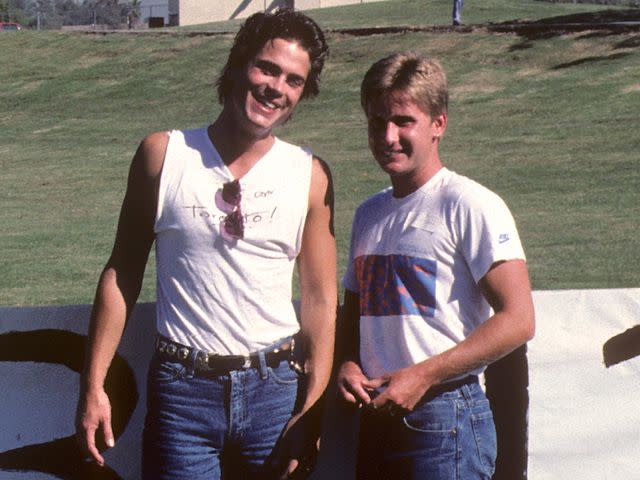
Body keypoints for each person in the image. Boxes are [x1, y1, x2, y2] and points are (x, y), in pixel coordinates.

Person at [75, 8, 337, 480]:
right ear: (239, 64)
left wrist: (313, 409)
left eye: (294, 81)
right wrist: (93, 384)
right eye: (267, 68)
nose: (276, 88)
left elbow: (320, 298)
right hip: (183, 395)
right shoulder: (163, 155)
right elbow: (122, 272)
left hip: (275, 395)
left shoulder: (310, 176)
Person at [336, 52, 535, 479]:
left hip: (445, 418)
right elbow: (353, 316)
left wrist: (423, 376)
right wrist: (348, 364)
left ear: (438, 124)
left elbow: (519, 319)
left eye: (403, 120)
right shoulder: (368, 214)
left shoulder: (470, 204)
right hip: (377, 416)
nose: (388, 136)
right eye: (377, 122)